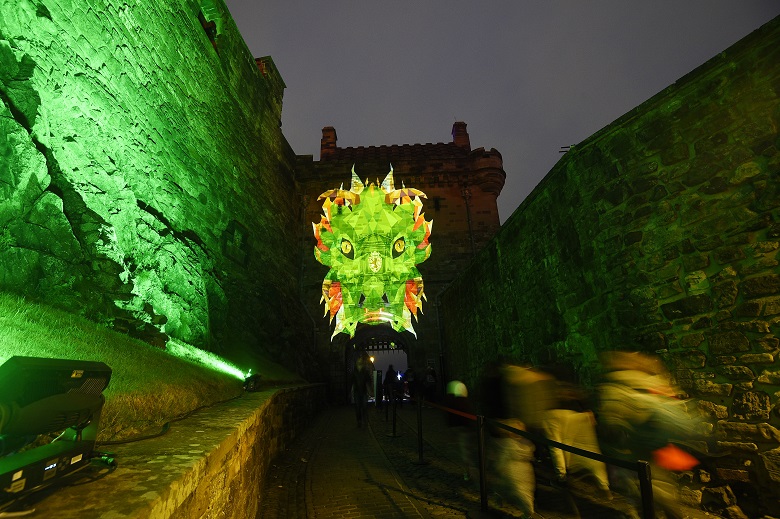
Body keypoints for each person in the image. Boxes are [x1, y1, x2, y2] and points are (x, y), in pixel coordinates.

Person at [444, 380, 476, 482]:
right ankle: (469, 472)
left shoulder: (452, 401)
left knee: (464, 451)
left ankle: (469, 472)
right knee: (466, 451)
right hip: (464, 428)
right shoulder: (464, 402)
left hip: (459, 428)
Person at [352, 352, 374, 427]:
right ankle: (359, 421)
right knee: (358, 407)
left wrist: (370, 390)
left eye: (361, 359)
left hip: (363, 391)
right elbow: (351, 382)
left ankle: (364, 420)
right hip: (357, 392)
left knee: (364, 406)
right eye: (359, 359)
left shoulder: (365, 371)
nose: (360, 360)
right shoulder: (354, 372)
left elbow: (368, 381)